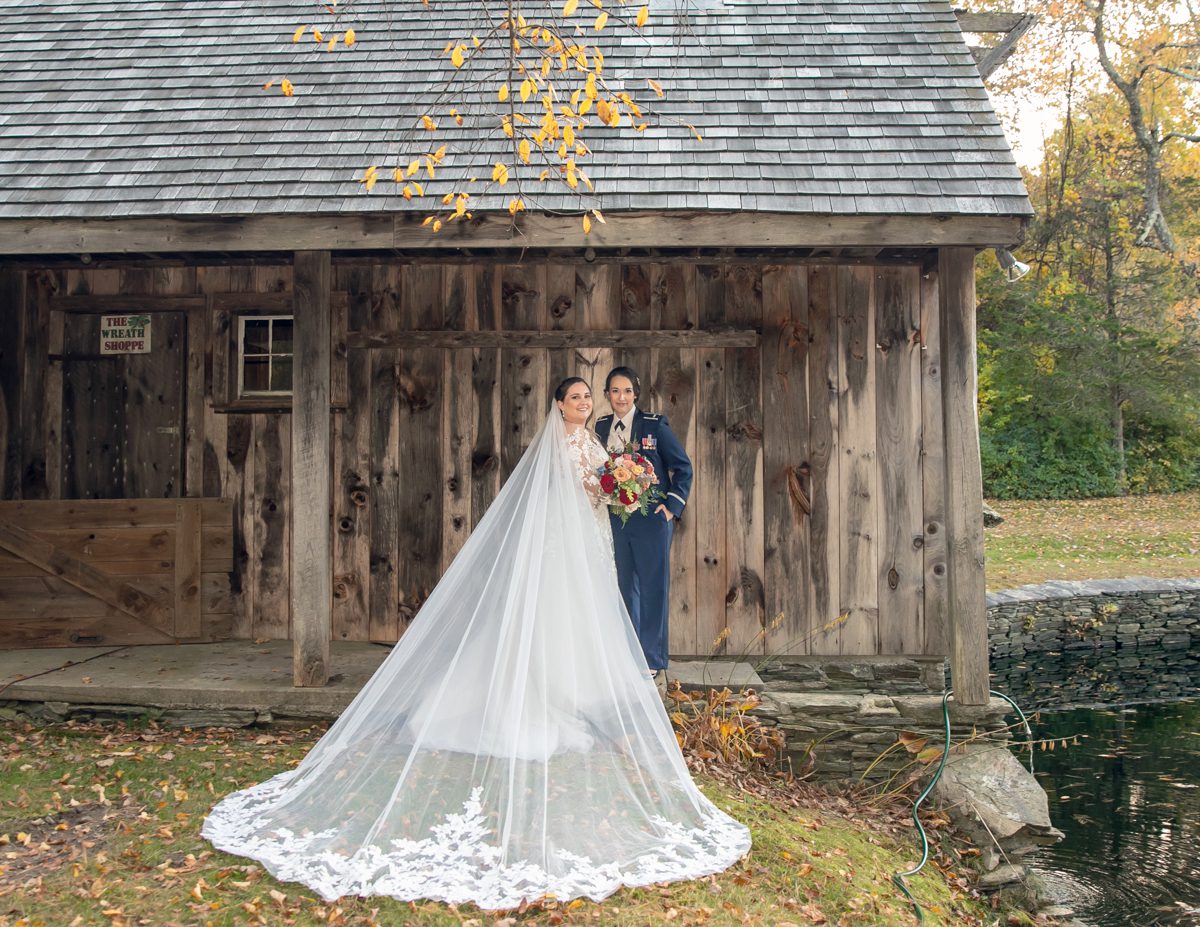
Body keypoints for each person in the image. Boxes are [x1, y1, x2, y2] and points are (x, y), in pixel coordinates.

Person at [201, 377, 750, 910]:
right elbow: (572, 489)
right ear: (559, 406)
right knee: (556, 613)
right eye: (576, 397)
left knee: (581, 619)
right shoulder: (560, 443)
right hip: (568, 543)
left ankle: (568, 693)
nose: (585, 402)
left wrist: (622, 486)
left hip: (592, 537)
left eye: (589, 396)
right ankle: (528, 694)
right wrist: (609, 485)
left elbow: (610, 484)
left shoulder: (597, 437)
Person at [594, 367, 692, 681]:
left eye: (626, 391)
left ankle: (652, 658)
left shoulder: (654, 425)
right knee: (624, 587)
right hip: (616, 519)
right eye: (614, 391)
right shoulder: (601, 426)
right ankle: (628, 653)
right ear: (607, 394)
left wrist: (671, 507)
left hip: (651, 520)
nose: (620, 397)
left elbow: (682, 467)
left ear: (635, 394)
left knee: (652, 587)